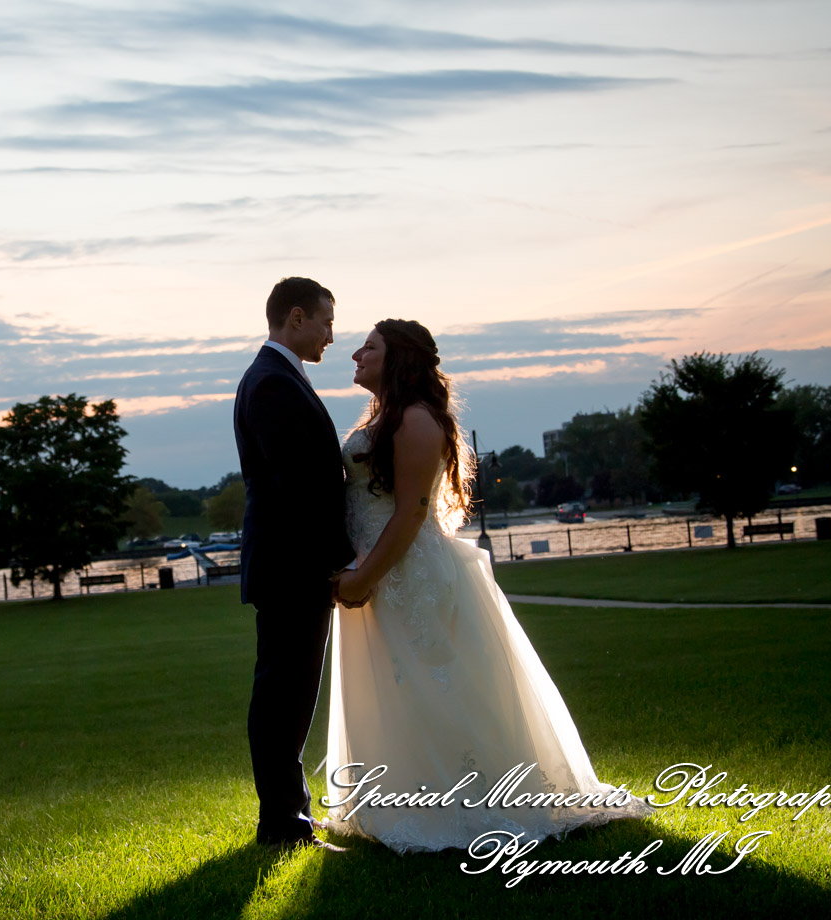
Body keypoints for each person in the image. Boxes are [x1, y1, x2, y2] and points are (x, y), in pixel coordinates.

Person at [325, 320, 650, 852]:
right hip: (380, 569)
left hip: (408, 573)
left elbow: (412, 512)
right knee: (396, 691)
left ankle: (469, 805)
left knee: (436, 689)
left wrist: (364, 576)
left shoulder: (415, 419)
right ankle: (398, 802)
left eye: (370, 347)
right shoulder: (383, 418)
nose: (356, 354)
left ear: (399, 358)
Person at [234, 277, 357, 850]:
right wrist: (339, 561)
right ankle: (282, 823)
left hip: (290, 564)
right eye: (327, 322)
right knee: (284, 696)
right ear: (298, 317)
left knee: (289, 694)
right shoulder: (271, 383)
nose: (331, 335)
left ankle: (290, 814)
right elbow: (299, 490)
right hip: (291, 568)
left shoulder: (276, 377)